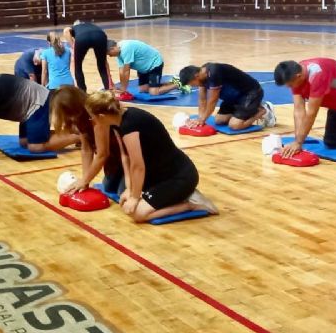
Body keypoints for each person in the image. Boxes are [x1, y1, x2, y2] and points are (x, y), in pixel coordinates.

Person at [84, 91, 219, 223]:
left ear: (101, 116)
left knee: (138, 214)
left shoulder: (130, 125)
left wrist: (135, 198)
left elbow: (138, 166)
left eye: (91, 117)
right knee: (125, 201)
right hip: (158, 175)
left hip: (178, 176)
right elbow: (126, 157)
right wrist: (129, 188)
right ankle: (181, 196)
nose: (92, 121)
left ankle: (192, 204)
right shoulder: (117, 121)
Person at [0, 74, 79, 153]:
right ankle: (75, 130)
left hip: (38, 104)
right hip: (27, 110)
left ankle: (83, 137)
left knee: (36, 147)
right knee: (24, 142)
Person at [50, 85, 122, 194]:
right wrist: (86, 180)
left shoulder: (95, 114)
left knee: (123, 192)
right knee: (109, 188)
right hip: (114, 157)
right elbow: (87, 149)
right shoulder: (79, 117)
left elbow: (103, 153)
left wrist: (85, 180)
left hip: (127, 154)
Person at [179, 63, 276, 130]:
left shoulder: (213, 73)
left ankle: (262, 111)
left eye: (191, 83)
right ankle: (248, 110)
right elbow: (202, 99)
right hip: (234, 98)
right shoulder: (201, 76)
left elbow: (212, 101)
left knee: (235, 125)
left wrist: (202, 119)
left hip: (250, 93)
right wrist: (200, 118)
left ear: (196, 76)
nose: (192, 86)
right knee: (219, 120)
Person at [107, 39, 187, 95]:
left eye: (109, 54)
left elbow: (126, 71)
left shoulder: (126, 48)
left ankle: (179, 83)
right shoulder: (118, 54)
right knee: (144, 90)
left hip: (154, 64)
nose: (110, 56)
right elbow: (122, 71)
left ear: (112, 48)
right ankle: (172, 81)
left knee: (154, 92)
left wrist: (124, 89)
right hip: (143, 69)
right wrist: (122, 88)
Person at [63, 21, 112, 92]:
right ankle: (108, 90)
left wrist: (72, 45)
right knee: (102, 66)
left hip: (82, 38)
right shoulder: (91, 25)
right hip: (100, 35)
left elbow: (66, 30)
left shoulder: (73, 27)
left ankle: (83, 92)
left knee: (78, 67)